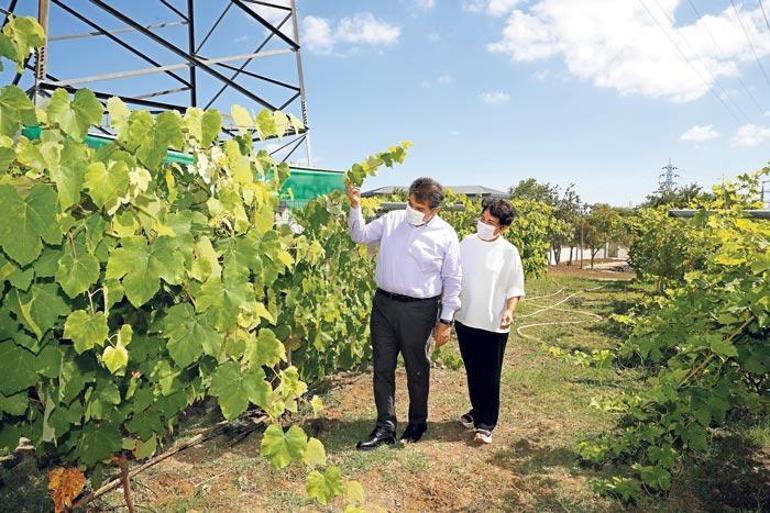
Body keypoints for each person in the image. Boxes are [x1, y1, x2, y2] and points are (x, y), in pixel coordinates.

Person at [347, 177, 461, 450]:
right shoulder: (392, 220)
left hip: (420, 311)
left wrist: (445, 320)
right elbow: (359, 235)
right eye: (410, 203)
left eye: (419, 207)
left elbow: (453, 280)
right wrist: (355, 206)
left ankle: (417, 423)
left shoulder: (446, 235)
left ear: (435, 210)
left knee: (417, 369)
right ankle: (385, 426)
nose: (412, 210)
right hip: (384, 306)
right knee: (382, 368)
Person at [454, 198, 525, 444]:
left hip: (494, 323)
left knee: (490, 373)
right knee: (473, 370)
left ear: (502, 228)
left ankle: (486, 423)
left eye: (491, 222)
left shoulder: (509, 252)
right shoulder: (466, 243)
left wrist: (509, 310)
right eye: (482, 219)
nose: (483, 224)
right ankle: (477, 411)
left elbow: (515, 287)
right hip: (465, 319)